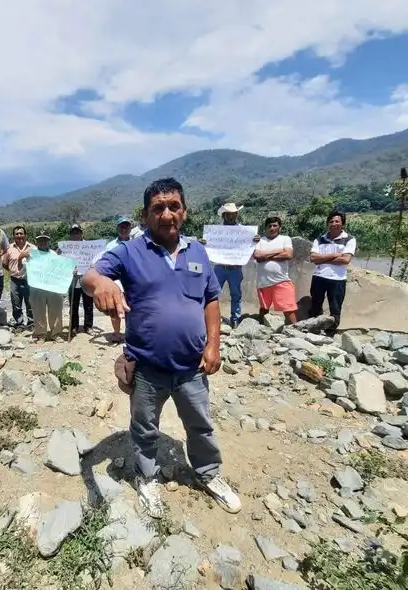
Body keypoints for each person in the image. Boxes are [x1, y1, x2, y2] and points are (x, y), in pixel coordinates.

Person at [83, 177, 242, 518]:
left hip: (190, 367)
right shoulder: (129, 251)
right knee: (144, 427)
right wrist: (103, 283)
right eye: (158, 208)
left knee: (200, 425)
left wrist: (213, 345)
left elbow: (211, 299)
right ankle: (146, 476)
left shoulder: (198, 252)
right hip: (147, 368)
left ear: (184, 212)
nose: (167, 214)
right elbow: (90, 277)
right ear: (145, 215)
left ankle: (208, 473)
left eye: (174, 206)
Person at [197, 203, 251, 329]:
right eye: (229, 214)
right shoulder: (215, 232)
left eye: (234, 214)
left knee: (236, 294)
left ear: (237, 214)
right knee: (212, 293)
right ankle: (209, 318)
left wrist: (253, 240)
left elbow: (248, 245)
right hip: (219, 267)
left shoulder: (244, 231)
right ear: (224, 215)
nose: (231, 216)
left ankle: (235, 319)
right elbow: (206, 246)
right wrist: (203, 242)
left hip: (235, 268)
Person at [309, 211, 357, 336]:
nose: (334, 224)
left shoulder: (349, 239)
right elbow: (313, 258)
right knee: (315, 305)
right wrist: (335, 255)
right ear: (327, 224)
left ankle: (330, 333)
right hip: (319, 277)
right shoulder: (319, 239)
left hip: (338, 279)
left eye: (337, 221)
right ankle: (314, 330)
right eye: (331, 221)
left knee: (335, 308)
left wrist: (323, 257)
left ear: (343, 224)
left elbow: (345, 260)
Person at [92, 216, 134, 342]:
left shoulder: (136, 243)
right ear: (117, 228)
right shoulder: (110, 246)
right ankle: (116, 334)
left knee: (131, 310)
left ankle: (130, 335)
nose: (124, 229)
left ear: (130, 228)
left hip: (132, 282)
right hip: (115, 282)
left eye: (126, 226)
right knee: (115, 309)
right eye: (121, 226)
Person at [253, 216, 298, 325]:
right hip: (263, 282)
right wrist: (278, 251)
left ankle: (297, 331)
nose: (272, 228)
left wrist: (266, 256)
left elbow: (288, 254)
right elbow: (258, 256)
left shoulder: (285, 239)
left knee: (289, 309)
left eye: (275, 226)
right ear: (266, 228)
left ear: (280, 228)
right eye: (269, 226)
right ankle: (260, 331)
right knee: (264, 309)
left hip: (281, 280)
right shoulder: (259, 241)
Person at [28, 233, 66, 341]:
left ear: (48, 241)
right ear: (37, 242)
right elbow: (25, 267)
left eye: (45, 240)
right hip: (37, 288)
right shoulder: (31, 254)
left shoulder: (54, 254)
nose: (43, 242)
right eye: (41, 240)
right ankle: (41, 334)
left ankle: (56, 333)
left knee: (56, 311)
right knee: (38, 312)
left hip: (53, 287)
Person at [61, 224, 94, 334]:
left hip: (87, 277)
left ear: (81, 233)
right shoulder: (66, 247)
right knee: (73, 303)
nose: (75, 234)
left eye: (78, 232)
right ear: (70, 234)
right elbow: (61, 261)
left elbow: (95, 259)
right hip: (72, 278)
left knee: (88, 303)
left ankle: (88, 326)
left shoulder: (89, 246)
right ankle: (74, 326)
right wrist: (68, 269)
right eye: (73, 232)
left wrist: (91, 266)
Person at [1, 226, 34, 328]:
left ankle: (31, 322)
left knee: (30, 303)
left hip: (29, 280)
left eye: (21, 233)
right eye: (17, 234)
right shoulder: (9, 249)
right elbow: (4, 263)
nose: (19, 236)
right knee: (16, 303)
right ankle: (19, 323)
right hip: (14, 280)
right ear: (14, 236)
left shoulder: (33, 248)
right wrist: (13, 271)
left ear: (25, 235)